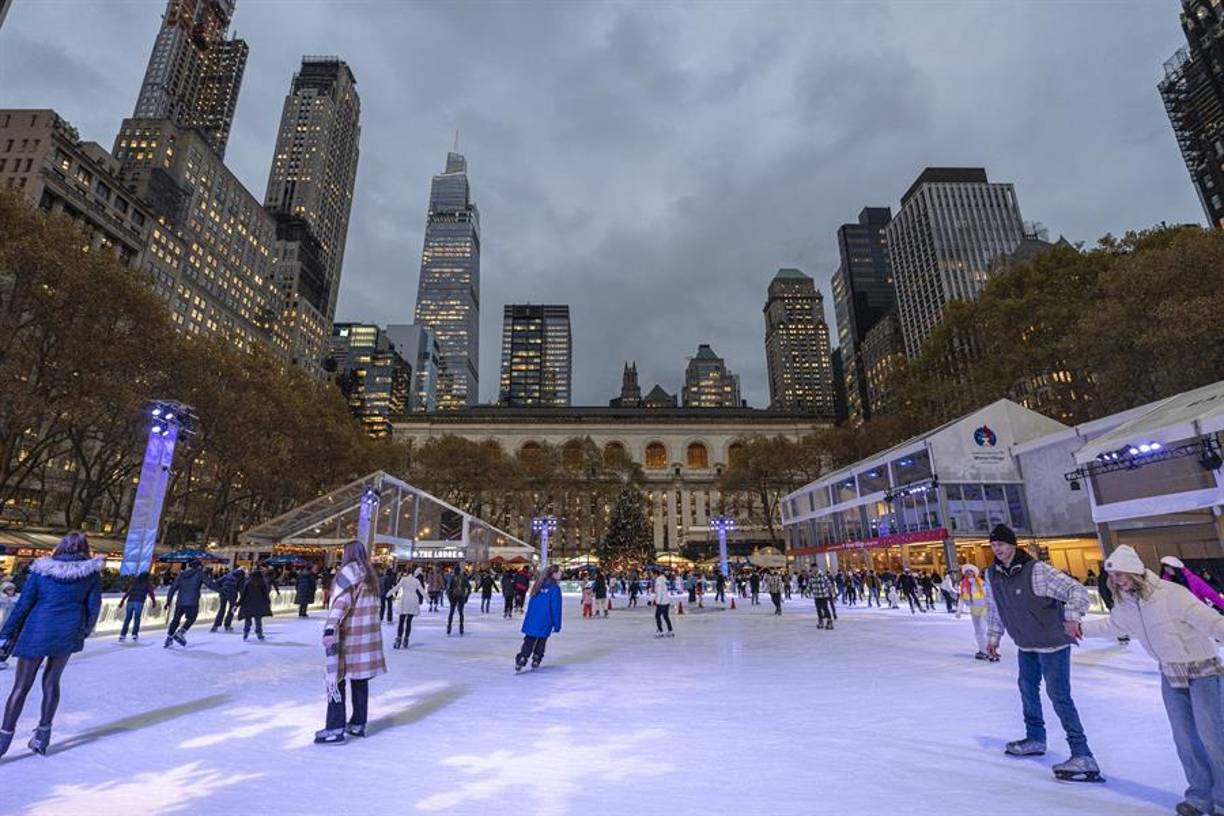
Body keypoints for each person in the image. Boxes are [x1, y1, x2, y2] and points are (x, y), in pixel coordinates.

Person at [1083, 545, 1224, 815]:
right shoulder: (1126, 603)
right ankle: (1199, 797)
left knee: (1214, 738)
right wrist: (1081, 629)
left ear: (1135, 572)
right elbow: (1112, 625)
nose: (1116, 581)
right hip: (1171, 674)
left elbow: (1211, 622)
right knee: (1185, 739)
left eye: (1121, 575)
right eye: (1113, 577)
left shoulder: (1172, 595)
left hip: (1203, 671)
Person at [984, 524, 1099, 782]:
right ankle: (1035, 737)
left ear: (1013, 545)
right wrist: (993, 637)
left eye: (1001, 544)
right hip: (1026, 643)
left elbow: (1076, 591)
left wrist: (1071, 618)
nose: (998, 549)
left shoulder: (1037, 571)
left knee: (1059, 695)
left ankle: (1082, 753)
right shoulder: (992, 574)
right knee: (1027, 689)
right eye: (993, 545)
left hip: (1052, 643)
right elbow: (995, 607)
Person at [0, 531, 102, 757]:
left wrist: (5, 634)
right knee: (51, 683)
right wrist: (82, 631)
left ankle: (3, 739)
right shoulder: (91, 574)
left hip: (37, 629)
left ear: (61, 547)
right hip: (67, 632)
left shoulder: (41, 570)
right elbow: (94, 607)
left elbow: (23, 605)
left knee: (21, 686)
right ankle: (42, 737)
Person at [315, 540, 386, 745]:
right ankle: (357, 723)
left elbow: (341, 603)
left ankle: (335, 727)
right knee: (359, 680)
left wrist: (330, 628)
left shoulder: (349, 573)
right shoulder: (370, 575)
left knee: (336, 679)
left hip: (349, 637)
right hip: (367, 639)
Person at [516, 565, 563, 671]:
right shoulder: (554, 588)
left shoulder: (538, 585)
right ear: (554, 574)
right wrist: (557, 624)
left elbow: (532, 604)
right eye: (559, 572)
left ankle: (523, 657)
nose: (561, 574)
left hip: (533, 618)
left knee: (529, 639)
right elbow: (556, 608)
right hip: (546, 619)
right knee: (541, 640)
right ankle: (537, 658)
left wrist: (529, 618)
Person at [164, 558, 208, 648]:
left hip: (180, 601)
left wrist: (168, 601)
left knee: (175, 620)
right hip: (192, 601)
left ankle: (169, 638)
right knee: (192, 618)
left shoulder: (181, 575)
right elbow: (210, 584)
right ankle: (181, 632)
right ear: (198, 566)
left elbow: (172, 588)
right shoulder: (200, 574)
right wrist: (222, 591)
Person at [957, 564, 991, 660]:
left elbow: (988, 595)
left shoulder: (980, 583)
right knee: (978, 632)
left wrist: (991, 607)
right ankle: (983, 650)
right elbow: (962, 598)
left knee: (982, 630)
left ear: (974, 573)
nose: (968, 573)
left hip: (984, 609)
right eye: (967, 572)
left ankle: (989, 650)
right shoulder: (963, 584)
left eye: (970, 571)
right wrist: (959, 610)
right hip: (974, 610)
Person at [388, 568, 425, 649]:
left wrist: (388, 594)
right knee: (408, 622)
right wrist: (428, 598)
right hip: (413, 601)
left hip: (404, 600)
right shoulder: (416, 581)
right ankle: (406, 639)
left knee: (401, 621)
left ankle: (398, 639)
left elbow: (396, 588)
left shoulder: (403, 579)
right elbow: (422, 591)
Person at [237, 566, 274, 641]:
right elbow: (265, 594)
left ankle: (245, 633)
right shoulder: (263, 582)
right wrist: (268, 601)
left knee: (247, 620)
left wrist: (237, 604)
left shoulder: (248, 582)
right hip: (259, 604)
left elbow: (243, 594)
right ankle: (259, 634)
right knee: (258, 620)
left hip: (248, 604)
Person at [118, 571, 157, 641]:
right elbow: (151, 593)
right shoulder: (147, 584)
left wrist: (122, 600)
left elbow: (128, 592)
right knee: (137, 618)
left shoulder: (135, 583)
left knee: (127, 618)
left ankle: (122, 635)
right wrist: (154, 601)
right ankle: (134, 634)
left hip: (130, 601)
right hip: (139, 602)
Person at [210, 566, 245, 632]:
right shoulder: (241, 577)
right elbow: (241, 588)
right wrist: (243, 597)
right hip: (232, 594)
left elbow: (217, 582)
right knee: (232, 609)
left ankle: (215, 626)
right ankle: (227, 625)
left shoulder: (228, 575)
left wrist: (220, 590)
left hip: (223, 593)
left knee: (222, 609)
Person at [446, 567, 471, 636]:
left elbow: (448, 589)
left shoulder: (452, 578)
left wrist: (449, 596)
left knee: (451, 612)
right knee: (460, 612)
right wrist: (466, 596)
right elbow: (469, 587)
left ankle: (449, 626)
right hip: (461, 597)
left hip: (454, 597)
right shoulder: (463, 578)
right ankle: (461, 626)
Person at [652, 568, 674, 638]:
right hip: (666, 601)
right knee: (665, 616)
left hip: (661, 602)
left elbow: (659, 592)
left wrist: (657, 602)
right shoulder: (664, 580)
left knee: (657, 616)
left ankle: (660, 631)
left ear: (656, 574)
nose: (653, 576)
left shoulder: (659, 580)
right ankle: (670, 630)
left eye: (653, 575)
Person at [0, 583, 15, 668]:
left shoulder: (14, 599)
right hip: (2, 624)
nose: (11, 591)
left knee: (6, 644)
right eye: (9, 589)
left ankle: (2, 659)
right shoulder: (2, 599)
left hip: (9, 625)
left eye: (12, 589)